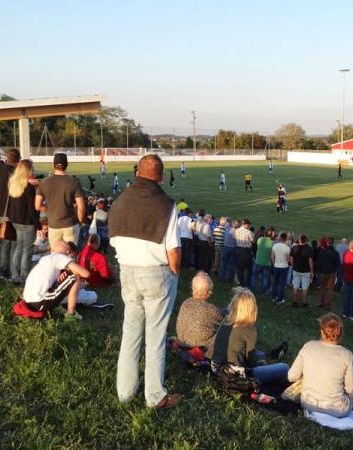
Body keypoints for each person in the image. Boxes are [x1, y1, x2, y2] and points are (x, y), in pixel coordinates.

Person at [108, 154, 182, 409]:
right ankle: (154, 395)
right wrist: (175, 272)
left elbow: (113, 241)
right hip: (156, 274)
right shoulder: (166, 204)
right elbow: (173, 249)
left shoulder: (120, 200)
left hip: (127, 270)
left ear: (138, 172)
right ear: (160, 176)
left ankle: (125, 392)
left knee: (131, 332)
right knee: (155, 336)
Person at [287, 313, 353, 417]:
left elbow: (291, 377)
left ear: (321, 331)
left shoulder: (308, 346)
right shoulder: (347, 354)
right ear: (341, 333)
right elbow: (350, 389)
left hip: (308, 404)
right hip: (338, 409)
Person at [207, 288, 289, 386]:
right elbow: (251, 359)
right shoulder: (249, 329)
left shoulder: (226, 320)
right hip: (233, 374)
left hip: (214, 366)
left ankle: (267, 357)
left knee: (260, 354)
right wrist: (260, 365)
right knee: (284, 367)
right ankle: (269, 361)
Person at [21, 240, 90, 320]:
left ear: (52, 250)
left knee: (66, 278)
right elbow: (86, 274)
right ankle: (71, 314)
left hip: (28, 301)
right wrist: (80, 284)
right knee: (74, 276)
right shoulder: (60, 257)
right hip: (40, 301)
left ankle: (57, 308)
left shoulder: (45, 259)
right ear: (68, 252)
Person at [35, 153, 85, 245]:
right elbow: (81, 207)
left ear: (53, 164)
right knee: (70, 254)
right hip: (70, 224)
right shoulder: (74, 182)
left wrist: (50, 209)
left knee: (55, 255)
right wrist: (80, 221)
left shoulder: (44, 182)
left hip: (54, 224)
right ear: (66, 165)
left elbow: (37, 205)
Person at [7, 160, 39, 285]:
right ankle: (24, 276)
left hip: (16, 220)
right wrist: (38, 223)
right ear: (28, 170)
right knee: (27, 249)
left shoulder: (13, 183)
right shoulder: (28, 187)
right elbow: (32, 209)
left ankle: (15, 275)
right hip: (27, 221)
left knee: (19, 247)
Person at [176, 271, 224, 349]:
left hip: (182, 342)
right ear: (209, 291)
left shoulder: (186, 302)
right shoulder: (212, 310)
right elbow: (223, 322)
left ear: (192, 288)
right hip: (199, 347)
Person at [0, 148, 21, 279]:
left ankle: (3, 269)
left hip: (0, 210)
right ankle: (11, 271)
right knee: (14, 243)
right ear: (18, 160)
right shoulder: (14, 172)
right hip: (11, 211)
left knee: (5, 243)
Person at [316, 237, 340, 310]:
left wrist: (319, 271)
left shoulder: (322, 251)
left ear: (327, 243)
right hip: (332, 273)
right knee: (330, 289)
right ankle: (327, 304)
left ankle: (322, 303)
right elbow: (338, 264)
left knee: (322, 288)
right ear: (333, 243)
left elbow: (319, 263)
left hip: (323, 272)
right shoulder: (335, 252)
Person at [290, 234, 314, 307]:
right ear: (306, 240)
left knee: (295, 286)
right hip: (306, 271)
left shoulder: (294, 248)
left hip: (296, 269)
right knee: (305, 288)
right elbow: (310, 261)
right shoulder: (309, 248)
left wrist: (293, 266)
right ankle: (304, 302)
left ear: (299, 240)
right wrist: (312, 271)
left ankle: (295, 302)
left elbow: (291, 259)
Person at [251, 229, 273, 293]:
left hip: (258, 261)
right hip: (266, 262)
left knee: (254, 276)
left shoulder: (260, 239)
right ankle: (264, 290)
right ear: (271, 235)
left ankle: (252, 288)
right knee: (265, 277)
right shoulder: (272, 243)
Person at [271, 232, 291, 305]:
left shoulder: (275, 246)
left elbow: (272, 256)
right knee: (282, 283)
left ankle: (274, 297)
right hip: (284, 267)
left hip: (276, 266)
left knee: (275, 282)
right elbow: (288, 259)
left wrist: (274, 263)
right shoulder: (287, 248)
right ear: (285, 239)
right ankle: (280, 299)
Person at [235, 219, 254, 287]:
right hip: (246, 251)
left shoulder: (237, 230)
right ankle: (247, 283)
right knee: (249, 269)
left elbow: (235, 238)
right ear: (246, 225)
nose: (249, 226)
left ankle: (241, 282)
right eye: (249, 225)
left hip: (239, 249)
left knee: (240, 268)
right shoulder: (248, 232)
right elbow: (252, 241)